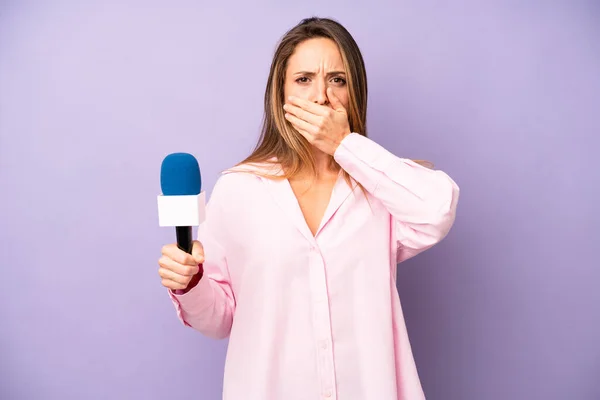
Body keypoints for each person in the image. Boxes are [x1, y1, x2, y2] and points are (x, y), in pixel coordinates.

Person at [158, 17, 459, 400]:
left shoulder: (383, 187)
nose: (321, 96)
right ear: (280, 95)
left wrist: (345, 145)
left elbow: (437, 211)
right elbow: (218, 320)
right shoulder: (239, 189)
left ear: (355, 92)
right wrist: (192, 283)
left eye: (337, 79)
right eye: (304, 80)